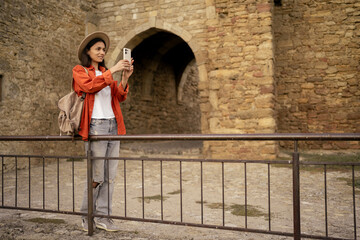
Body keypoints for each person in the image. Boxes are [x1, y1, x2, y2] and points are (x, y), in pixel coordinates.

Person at [72, 31, 133, 232]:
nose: (101, 52)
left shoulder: (106, 73)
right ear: (88, 51)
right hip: (95, 127)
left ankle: (103, 217)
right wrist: (113, 69)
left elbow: (119, 96)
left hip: (113, 126)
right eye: (97, 49)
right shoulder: (80, 71)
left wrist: (124, 77)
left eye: (103, 49)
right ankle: (86, 216)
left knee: (110, 176)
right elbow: (90, 87)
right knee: (96, 176)